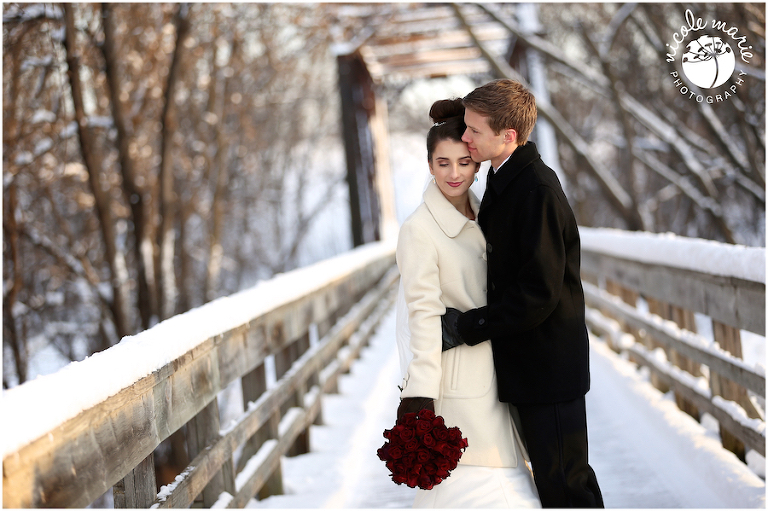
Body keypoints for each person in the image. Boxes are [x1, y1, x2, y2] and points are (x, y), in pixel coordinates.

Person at [440, 79, 604, 508]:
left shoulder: (537, 191)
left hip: (547, 364)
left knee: (566, 484)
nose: (464, 137)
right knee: (553, 481)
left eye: (473, 131)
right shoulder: (505, 176)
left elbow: (538, 292)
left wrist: (472, 324)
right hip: (528, 363)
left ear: (508, 136)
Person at [395, 98, 541, 508]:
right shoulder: (419, 230)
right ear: (429, 165)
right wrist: (418, 396)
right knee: (485, 494)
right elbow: (422, 316)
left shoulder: (488, 214)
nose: (454, 173)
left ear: (477, 163)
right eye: (443, 163)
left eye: (463, 161)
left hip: (501, 378)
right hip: (459, 388)